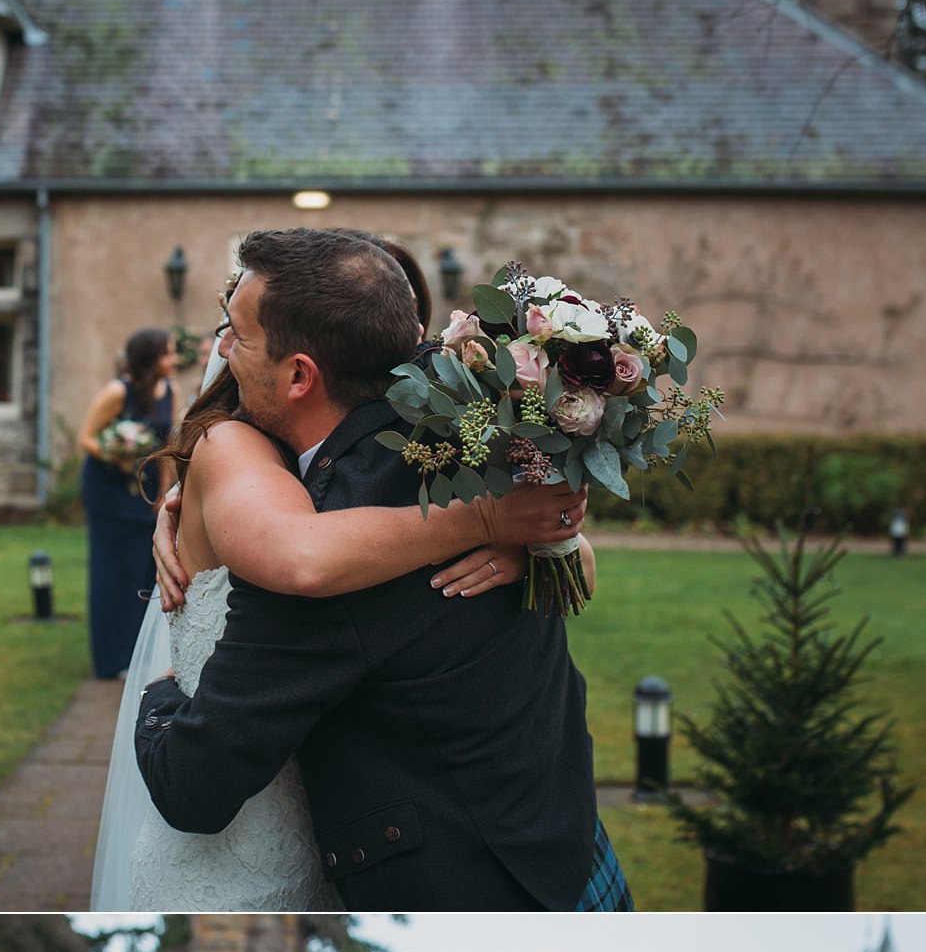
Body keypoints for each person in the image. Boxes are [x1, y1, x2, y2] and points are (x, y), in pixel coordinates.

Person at [135, 226, 631, 913]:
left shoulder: (328, 551)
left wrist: (158, 700)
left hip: (480, 895)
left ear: (301, 373)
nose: (220, 348)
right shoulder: (481, 442)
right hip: (576, 848)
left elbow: (194, 787)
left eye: (237, 335)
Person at [79, 326, 176, 679]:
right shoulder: (116, 392)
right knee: (110, 573)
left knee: (142, 571)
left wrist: (163, 493)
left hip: (145, 494)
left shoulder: (169, 391)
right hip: (109, 491)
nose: (174, 360)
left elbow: (167, 445)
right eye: (167, 353)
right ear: (151, 359)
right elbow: (87, 438)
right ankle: (109, 659)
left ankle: (136, 655)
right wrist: (120, 453)